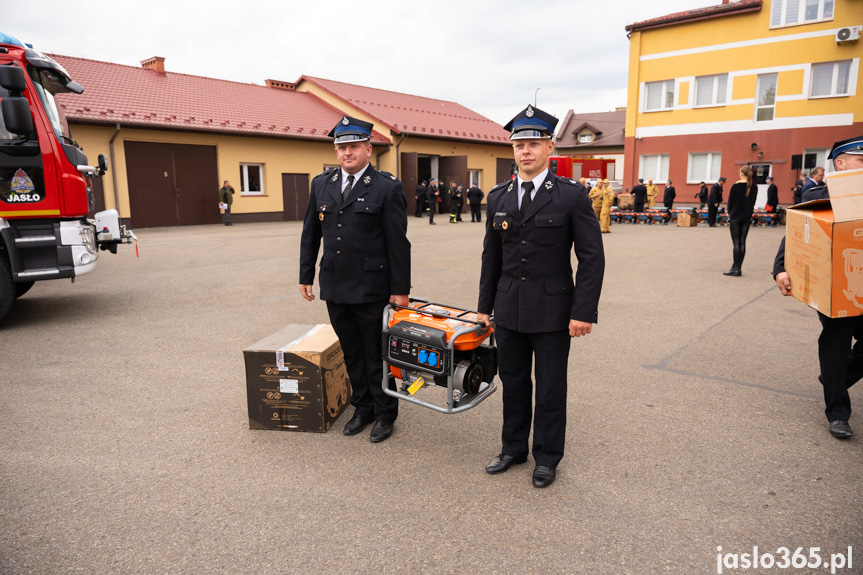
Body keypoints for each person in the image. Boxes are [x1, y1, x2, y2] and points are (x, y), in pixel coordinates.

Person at [477, 105, 605, 488]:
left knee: (550, 387)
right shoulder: (499, 196)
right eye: (519, 145)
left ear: (550, 147)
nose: (525, 151)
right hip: (509, 309)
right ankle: (513, 447)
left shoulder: (569, 196)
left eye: (533, 144)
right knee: (514, 382)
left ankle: (547, 456)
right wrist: (485, 308)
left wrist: (584, 311)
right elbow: (491, 257)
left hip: (553, 311)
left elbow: (591, 257)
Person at [299, 115, 411, 443]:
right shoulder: (321, 184)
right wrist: (306, 274)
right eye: (341, 147)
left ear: (368, 148)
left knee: (376, 353)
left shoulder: (386, 187)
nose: (347, 152)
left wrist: (400, 291)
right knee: (351, 352)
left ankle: (385, 413)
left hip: (372, 288)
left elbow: (398, 243)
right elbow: (311, 233)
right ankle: (362, 407)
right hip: (335, 285)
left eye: (353, 146)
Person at [773, 135, 863, 440]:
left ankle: (834, 379)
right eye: (862, 160)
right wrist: (781, 269)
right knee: (836, 344)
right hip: (835, 286)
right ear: (841, 163)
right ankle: (838, 412)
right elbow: (798, 233)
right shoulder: (823, 195)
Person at [723, 166, 758, 277]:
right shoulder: (754, 186)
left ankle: (735, 268)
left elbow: (730, 202)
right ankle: (739, 268)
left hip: (736, 216)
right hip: (747, 216)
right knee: (742, 242)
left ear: (742, 174)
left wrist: (730, 213)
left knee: (736, 243)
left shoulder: (736, 186)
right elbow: (752, 202)